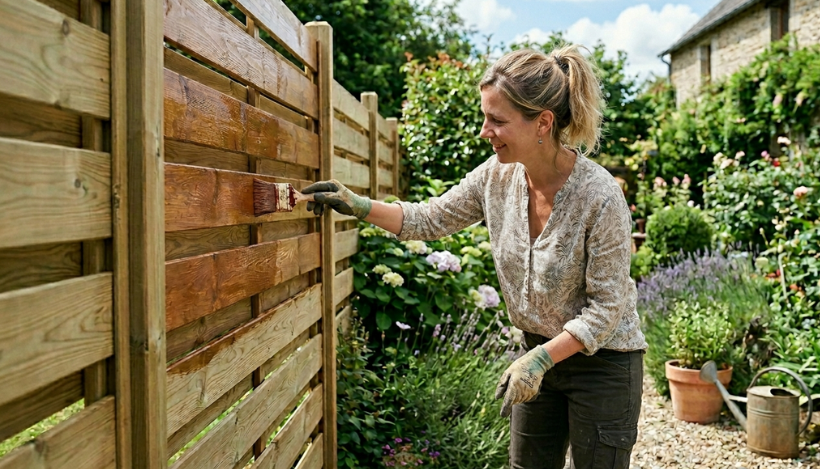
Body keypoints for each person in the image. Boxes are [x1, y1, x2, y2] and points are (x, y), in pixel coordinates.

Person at [302, 45, 648, 469]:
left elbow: (607, 308)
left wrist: (541, 359)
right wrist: (358, 205)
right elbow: (429, 219)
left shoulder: (600, 196)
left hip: (604, 366)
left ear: (543, 122)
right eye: (485, 117)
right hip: (534, 353)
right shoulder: (495, 176)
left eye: (497, 120)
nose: (485, 131)